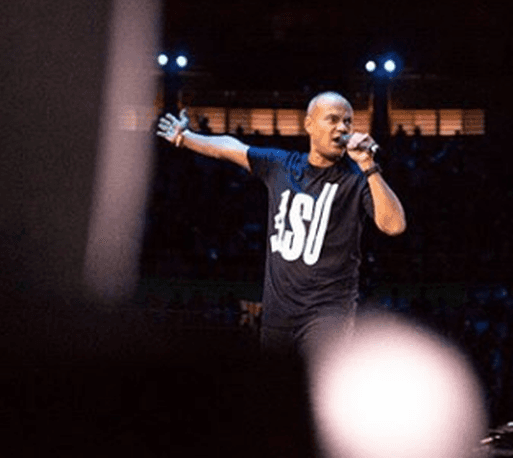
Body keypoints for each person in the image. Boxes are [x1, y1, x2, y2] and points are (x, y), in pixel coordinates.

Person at [156, 91, 407, 359]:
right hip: (279, 317)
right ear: (309, 124)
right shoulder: (282, 166)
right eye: (332, 119)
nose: (342, 128)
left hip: (329, 317)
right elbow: (231, 148)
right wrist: (185, 137)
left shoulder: (356, 178)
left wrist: (368, 165)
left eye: (348, 121)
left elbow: (394, 225)